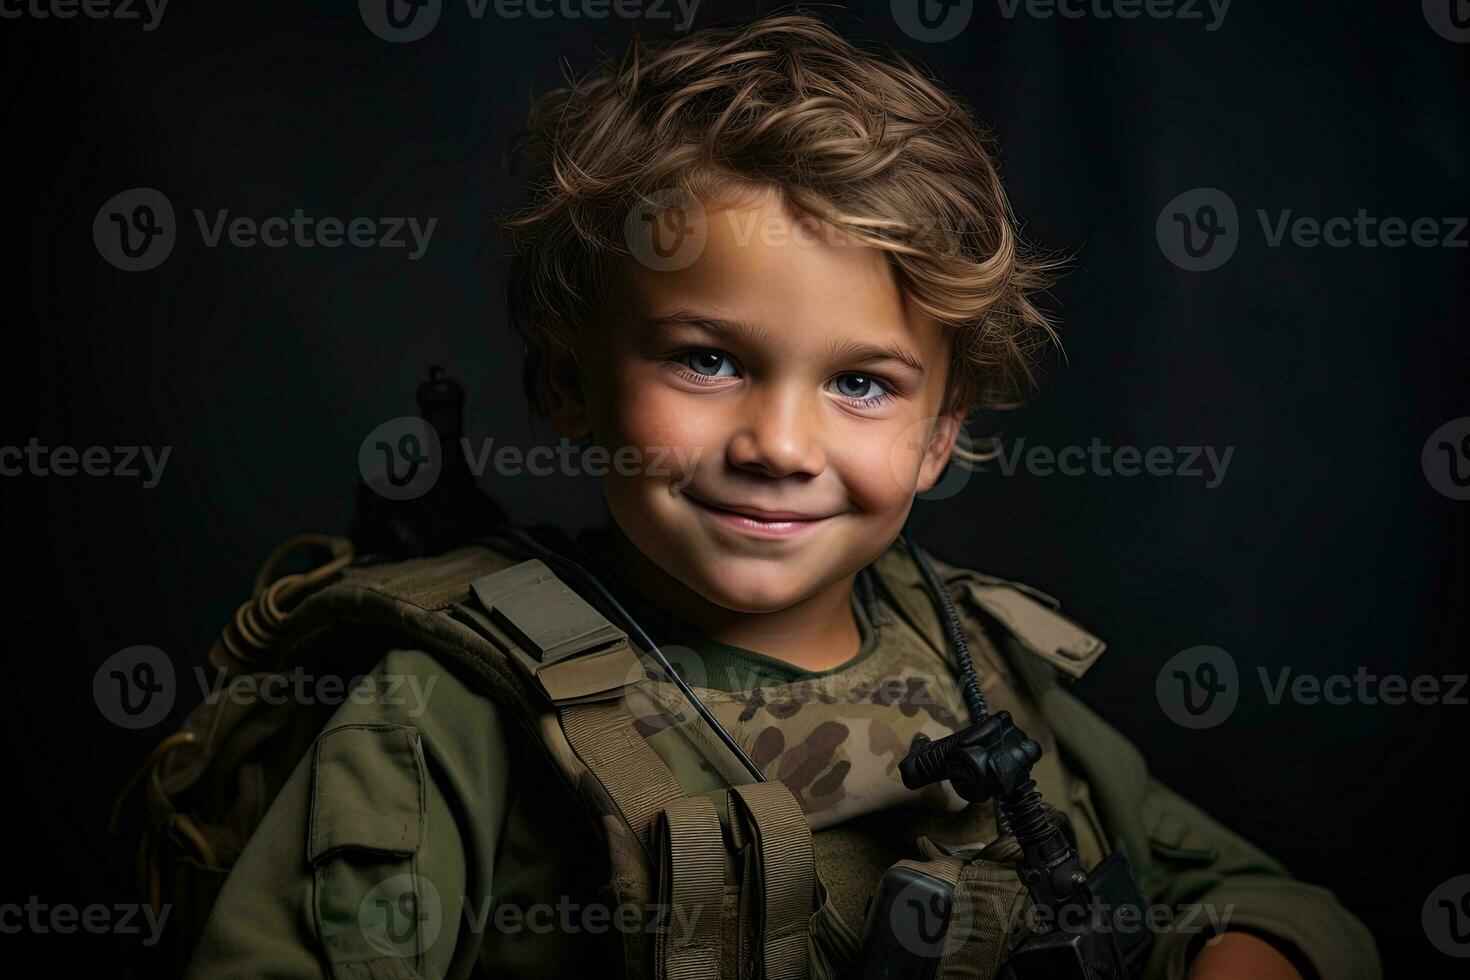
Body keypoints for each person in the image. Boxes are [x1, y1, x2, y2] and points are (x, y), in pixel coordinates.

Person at [183, 11, 1378, 979]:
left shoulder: (974, 661)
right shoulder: (445, 714)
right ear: (568, 380)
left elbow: (1254, 896)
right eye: (707, 359)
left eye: (862, 382)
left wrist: (1241, 950)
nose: (780, 442)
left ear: (939, 434)